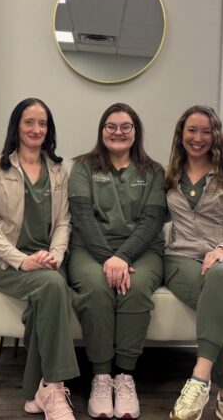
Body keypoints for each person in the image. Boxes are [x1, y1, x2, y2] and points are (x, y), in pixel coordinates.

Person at [0, 98, 78, 420]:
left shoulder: (58, 170)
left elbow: (64, 222)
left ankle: (41, 390)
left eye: (43, 123)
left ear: (49, 130)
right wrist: (21, 260)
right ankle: (54, 385)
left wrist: (56, 255)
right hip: (10, 265)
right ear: (17, 126)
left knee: (49, 290)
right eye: (29, 122)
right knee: (53, 289)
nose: (36, 129)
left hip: (48, 262)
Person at [68, 102, 166, 419]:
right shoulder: (83, 166)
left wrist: (122, 257)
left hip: (142, 250)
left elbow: (152, 221)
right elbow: (82, 216)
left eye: (126, 126)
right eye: (111, 126)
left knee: (134, 289)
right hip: (90, 248)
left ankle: (124, 377)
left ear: (136, 132)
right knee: (97, 288)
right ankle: (101, 376)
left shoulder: (153, 171)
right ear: (102, 131)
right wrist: (108, 258)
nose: (118, 132)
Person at [163, 106, 223, 420]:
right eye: (192, 130)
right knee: (220, 303)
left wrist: (221, 250)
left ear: (215, 136)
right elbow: (148, 220)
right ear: (181, 134)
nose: (198, 138)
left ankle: (199, 379)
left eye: (205, 131)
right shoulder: (168, 177)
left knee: (219, 278)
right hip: (180, 260)